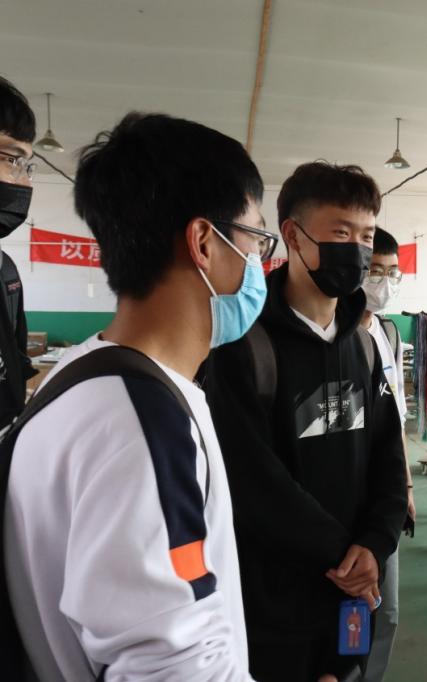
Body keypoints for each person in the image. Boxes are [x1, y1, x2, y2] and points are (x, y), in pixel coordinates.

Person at [5, 112, 268, 679]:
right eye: (255, 239)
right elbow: (171, 666)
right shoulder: (140, 422)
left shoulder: (85, 373)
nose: (260, 265)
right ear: (204, 242)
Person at [203, 162, 407, 682]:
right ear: (292, 235)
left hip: (352, 592)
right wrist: (344, 556)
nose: (357, 250)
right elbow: (254, 482)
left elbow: (388, 456)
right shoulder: (243, 348)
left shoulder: (364, 346)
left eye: (366, 236)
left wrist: (375, 544)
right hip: (276, 603)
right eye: (341, 233)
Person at [358, 226, 415, 682]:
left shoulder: (388, 332)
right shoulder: (336, 336)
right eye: (375, 271)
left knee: (387, 610)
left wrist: (407, 485)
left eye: (393, 272)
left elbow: (396, 418)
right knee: (350, 610)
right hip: (346, 492)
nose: (384, 282)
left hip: (385, 491)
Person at [0, 77, 38, 429]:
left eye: (26, 165)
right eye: (12, 159)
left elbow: (15, 359)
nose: (24, 182)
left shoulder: (5, 271)